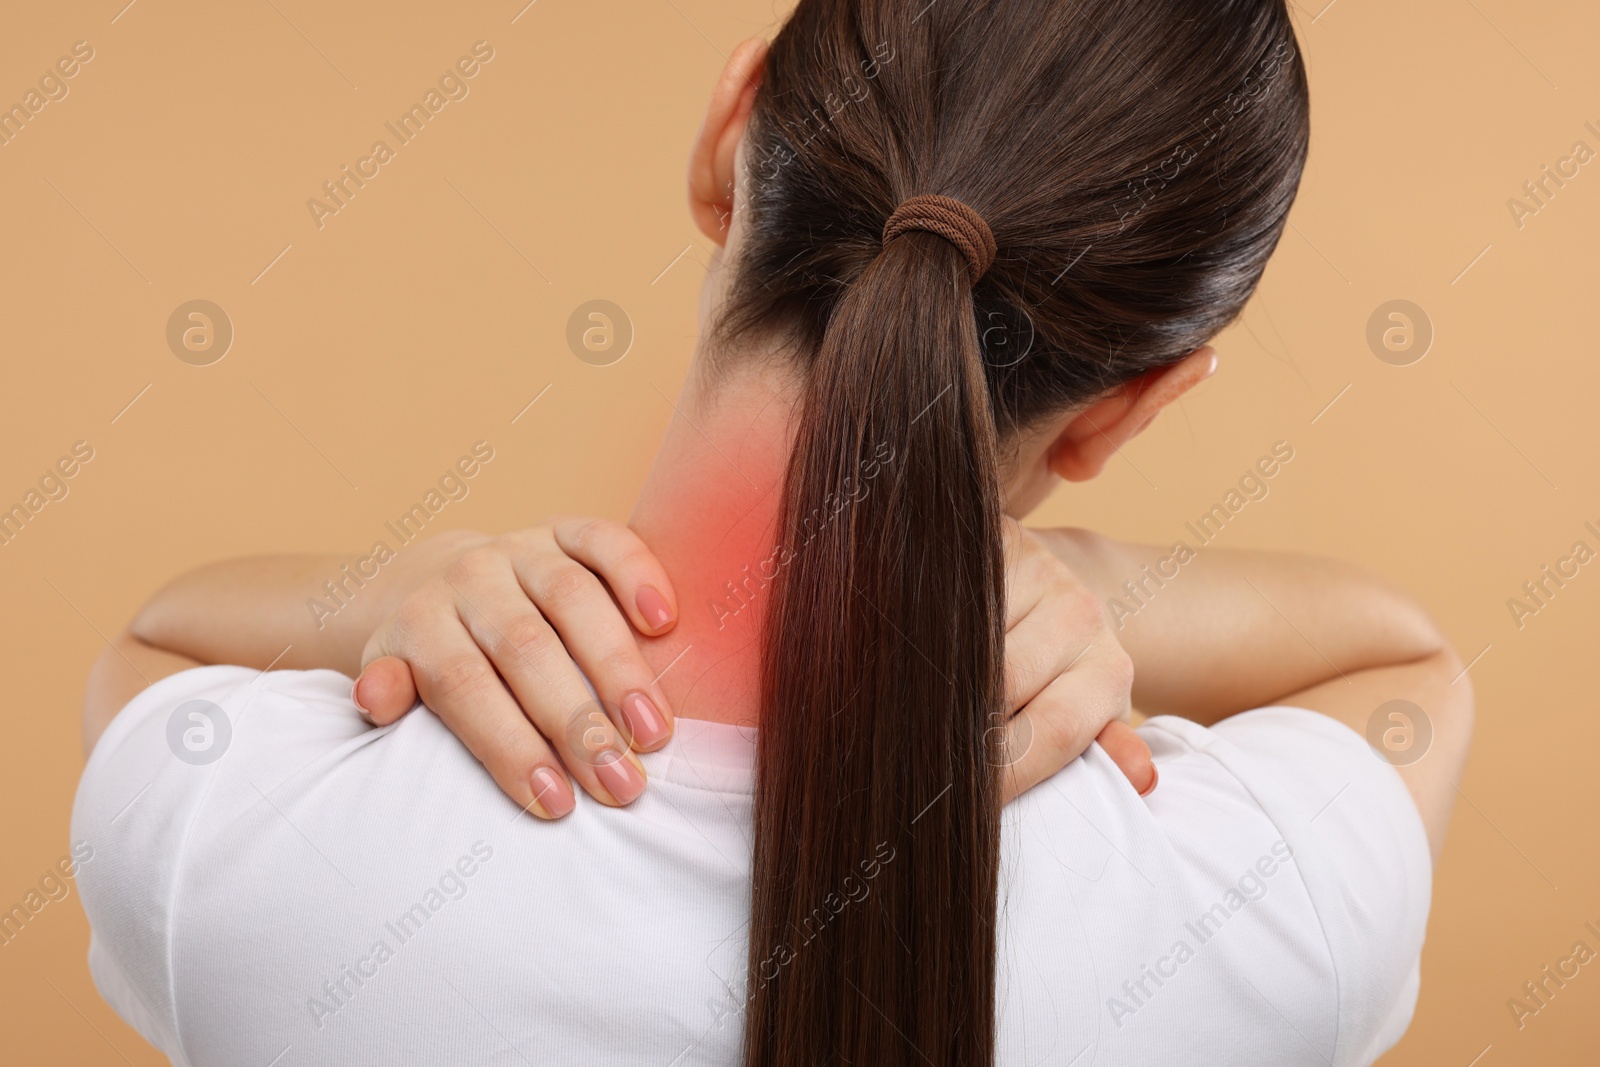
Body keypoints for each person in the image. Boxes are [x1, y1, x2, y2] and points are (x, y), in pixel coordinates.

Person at [72, 2, 1473, 1065]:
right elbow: (1406, 668)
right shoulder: (1268, 906)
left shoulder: (245, 849)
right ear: (1132, 406)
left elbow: (157, 641)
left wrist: (412, 585)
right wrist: (1079, 592)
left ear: (730, 137)